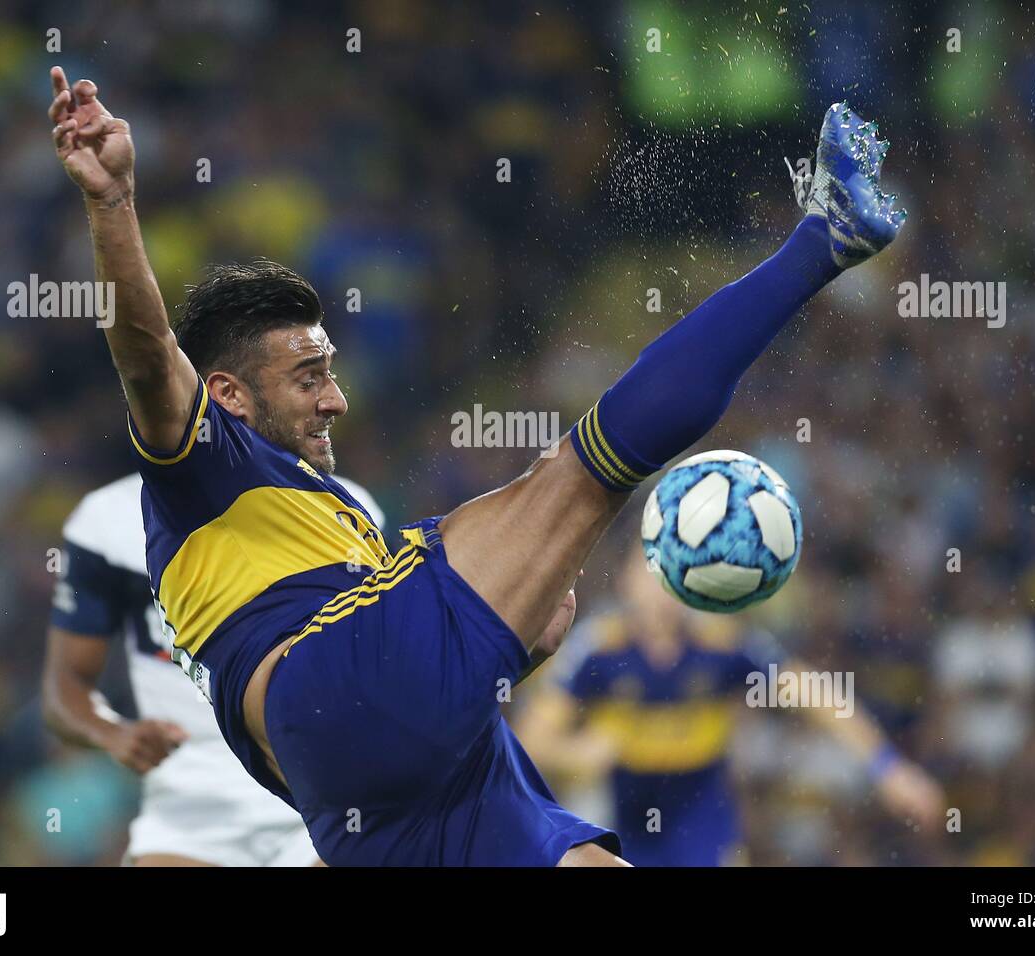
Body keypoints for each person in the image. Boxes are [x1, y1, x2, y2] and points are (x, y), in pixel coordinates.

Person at [46, 64, 904, 865]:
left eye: (332, 374)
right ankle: (826, 238)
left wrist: (515, 656)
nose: (335, 401)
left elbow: (400, 708)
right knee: (582, 473)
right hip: (322, 697)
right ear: (228, 395)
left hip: (374, 796)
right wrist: (114, 201)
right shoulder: (200, 463)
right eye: (309, 378)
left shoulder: (313, 514)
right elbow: (146, 351)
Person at [515, 549, 943, 866]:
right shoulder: (599, 650)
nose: (661, 586)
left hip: (705, 816)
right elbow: (530, 741)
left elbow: (813, 693)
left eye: (674, 572)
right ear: (625, 581)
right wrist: (577, 754)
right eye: (649, 569)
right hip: (624, 818)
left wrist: (888, 767)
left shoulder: (722, 644)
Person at [42, 471, 383, 866]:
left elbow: (377, 667)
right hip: (190, 818)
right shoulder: (107, 522)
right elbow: (65, 685)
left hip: (315, 801)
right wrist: (112, 732)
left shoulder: (343, 504)